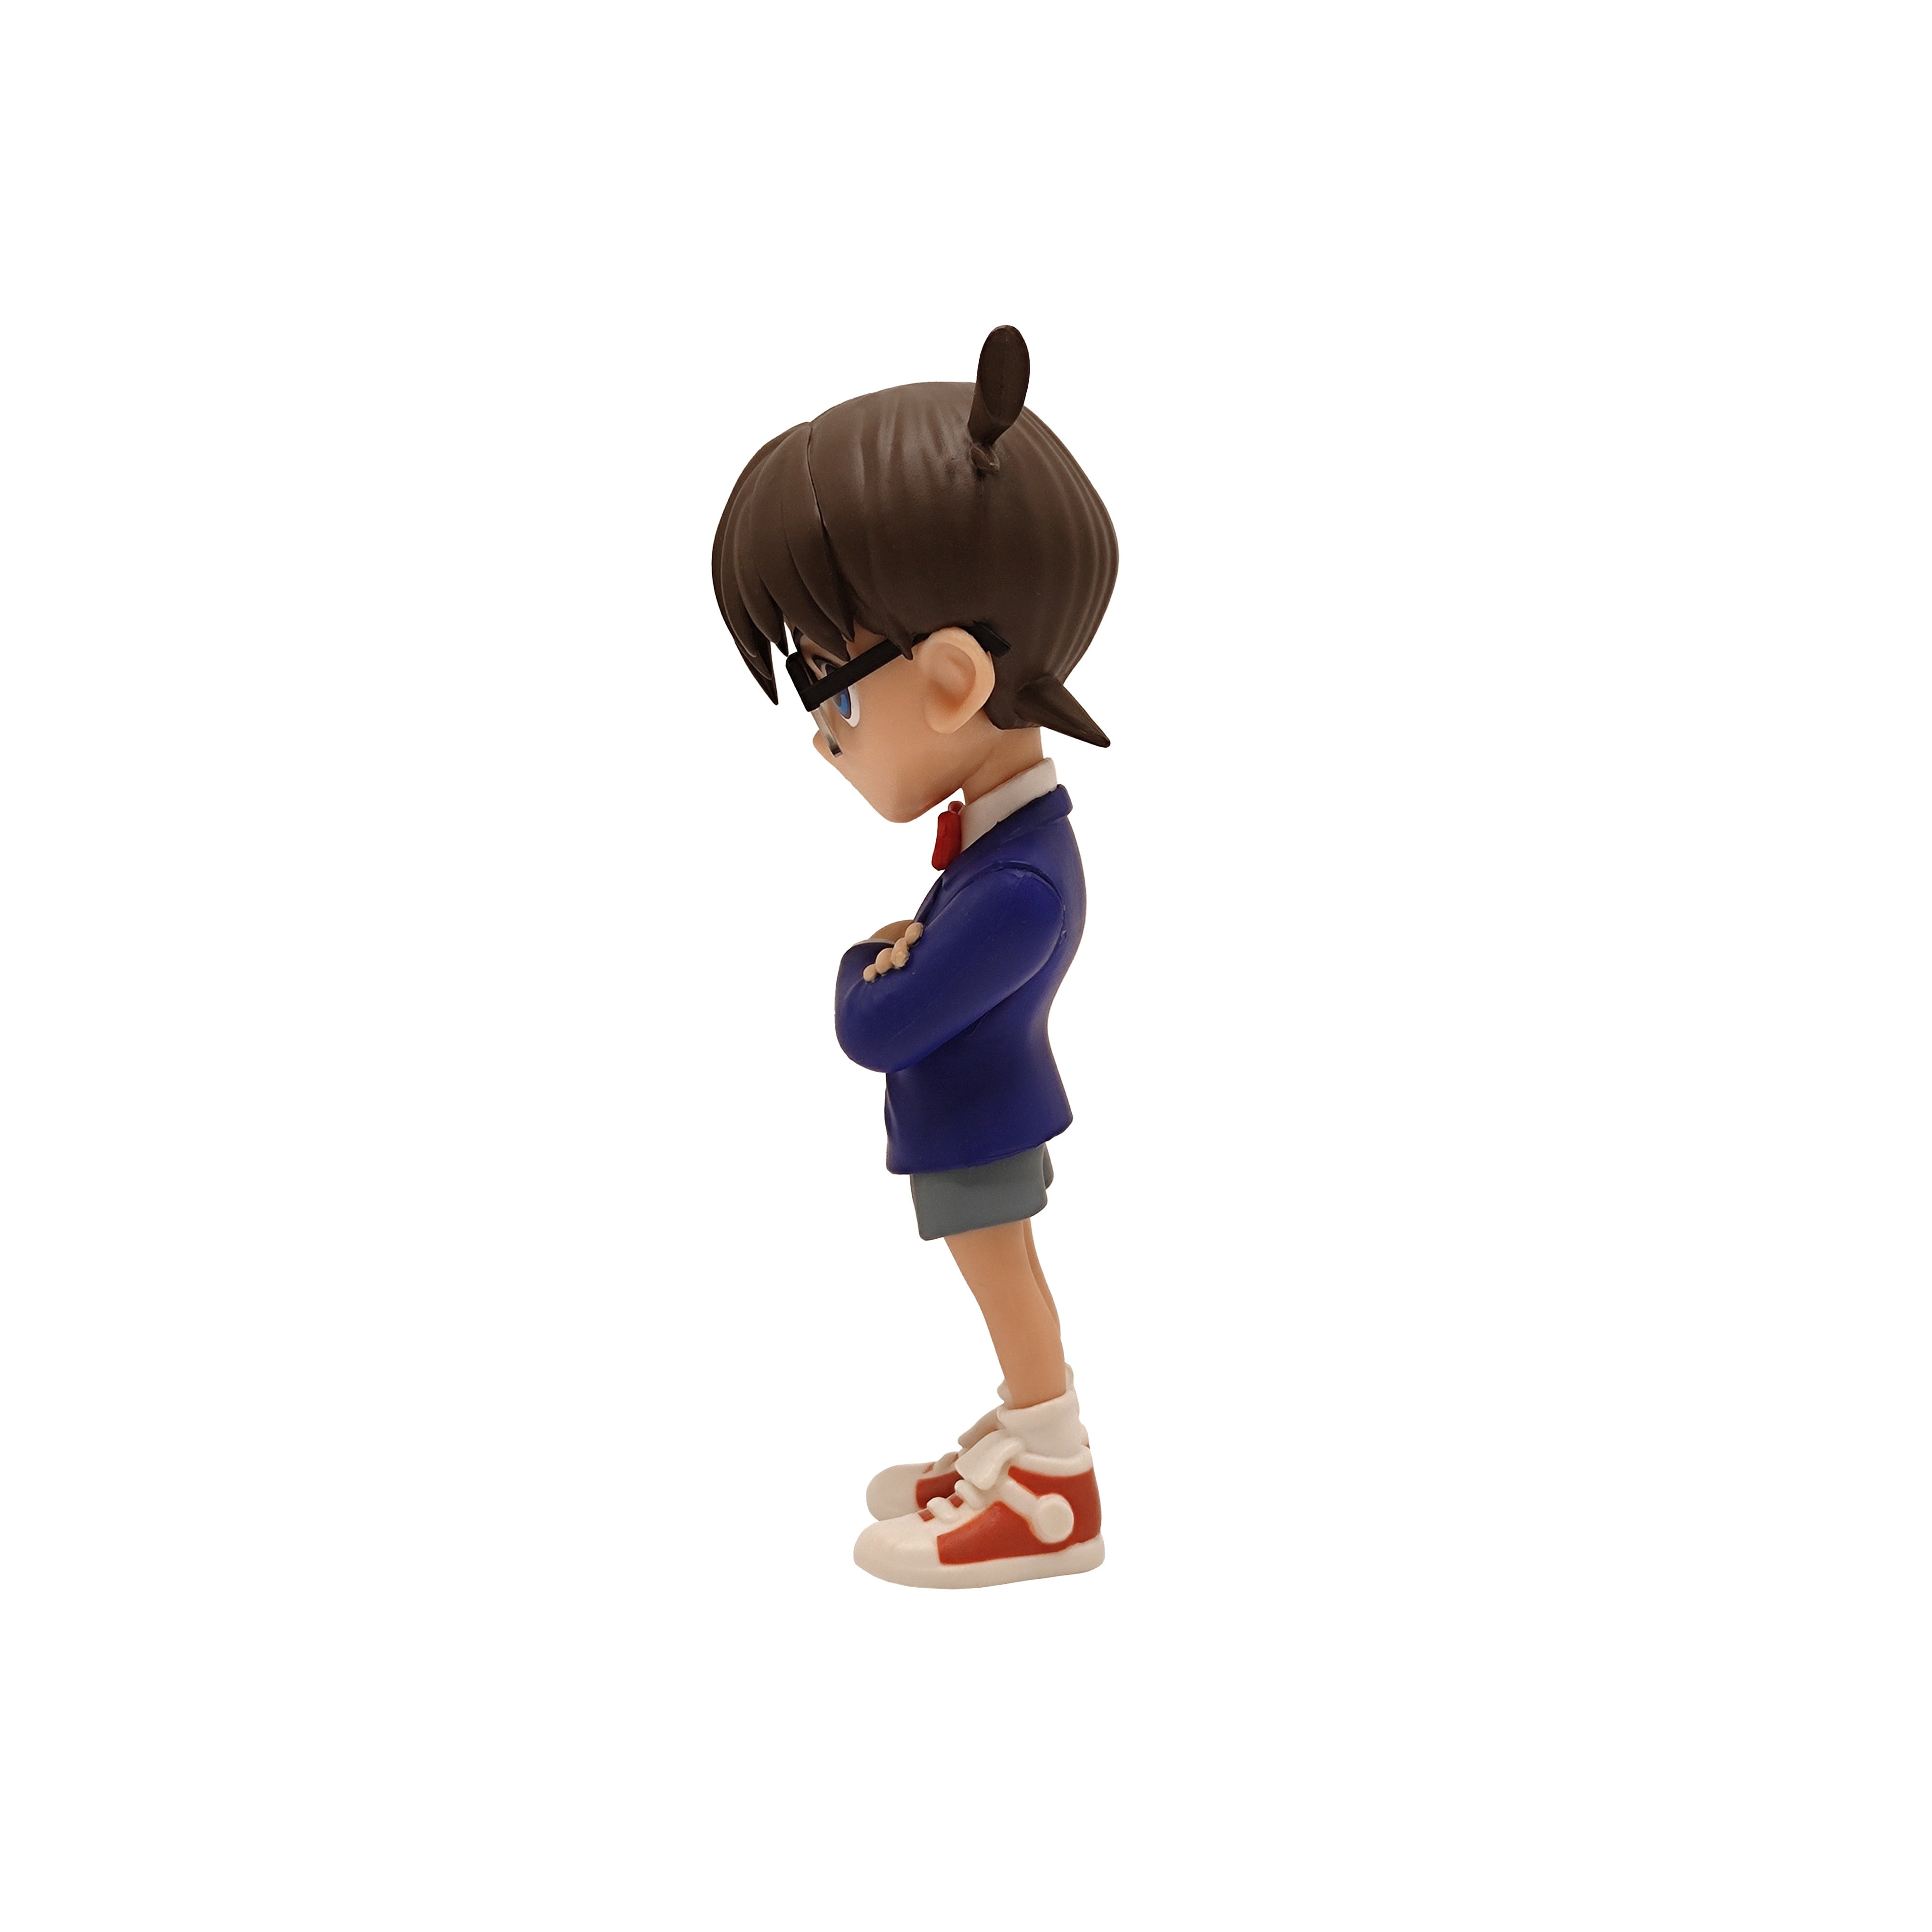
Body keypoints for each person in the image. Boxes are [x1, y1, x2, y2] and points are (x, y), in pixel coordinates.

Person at [711, 326, 1117, 1588]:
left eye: (832, 693)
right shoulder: (1005, 855)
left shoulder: (1016, 885)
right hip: (971, 1122)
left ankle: (1054, 1484)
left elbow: (873, 1027)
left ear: (949, 680)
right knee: (1002, 1282)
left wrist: (863, 962)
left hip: (978, 1131)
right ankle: (1026, 1433)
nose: (821, 734)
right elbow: (931, 975)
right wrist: (917, 946)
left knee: (1007, 1283)